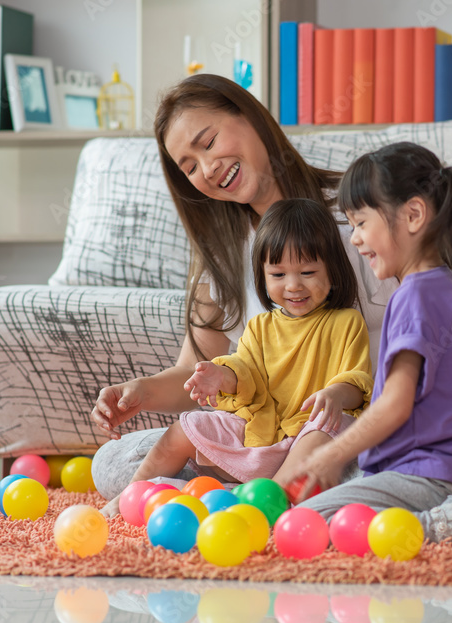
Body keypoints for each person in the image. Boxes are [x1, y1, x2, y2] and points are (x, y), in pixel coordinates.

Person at [90, 74, 394, 501]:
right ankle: (266, 493)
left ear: (249, 115)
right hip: (263, 435)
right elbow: (195, 373)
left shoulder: (356, 215)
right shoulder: (223, 257)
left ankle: (241, 494)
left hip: (351, 428)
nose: (208, 168)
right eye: (190, 166)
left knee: (372, 459)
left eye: (208, 141)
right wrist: (139, 391)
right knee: (112, 462)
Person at [281, 142, 452, 542]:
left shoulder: (415, 295)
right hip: (441, 471)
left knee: (307, 522)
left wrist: (331, 455)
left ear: (413, 215)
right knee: (319, 495)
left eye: (360, 222)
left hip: (428, 475)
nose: (355, 239)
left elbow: (395, 404)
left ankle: (450, 523)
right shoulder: (438, 285)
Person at [100, 199, 374, 516]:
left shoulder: (346, 322)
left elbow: (357, 380)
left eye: (308, 272)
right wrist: (221, 376)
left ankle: (263, 507)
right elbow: (245, 372)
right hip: (259, 430)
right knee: (184, 429)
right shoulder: (260, 326)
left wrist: (335, 394)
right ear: (263, 275)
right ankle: (131, 496)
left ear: (333, 271)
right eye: (279, 274)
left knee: (327, 428)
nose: (294, 285)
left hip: (307, 438)